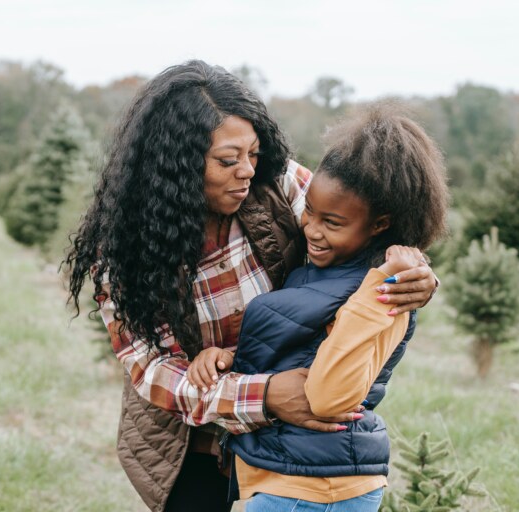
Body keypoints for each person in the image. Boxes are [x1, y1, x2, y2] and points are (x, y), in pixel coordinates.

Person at [63, 61, 438, 512]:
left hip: (290, 444)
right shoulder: (123, 253)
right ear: (177, 166)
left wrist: (415, 273)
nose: (246, 170)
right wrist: (268, 395)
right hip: (194, 439)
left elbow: (367, 230)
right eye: (227, 160)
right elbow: (153, 371)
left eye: (254, 153)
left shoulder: (279, 186)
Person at [185, 106, 449, 511]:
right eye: (309, 211)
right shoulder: (319, 270)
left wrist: (373, 293)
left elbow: (328, 396)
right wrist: (227, 359)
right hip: (286, 476)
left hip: (315, 486)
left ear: (379, 224)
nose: (310, 228)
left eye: (332, 222)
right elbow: (302, 348)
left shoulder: (386, 292)